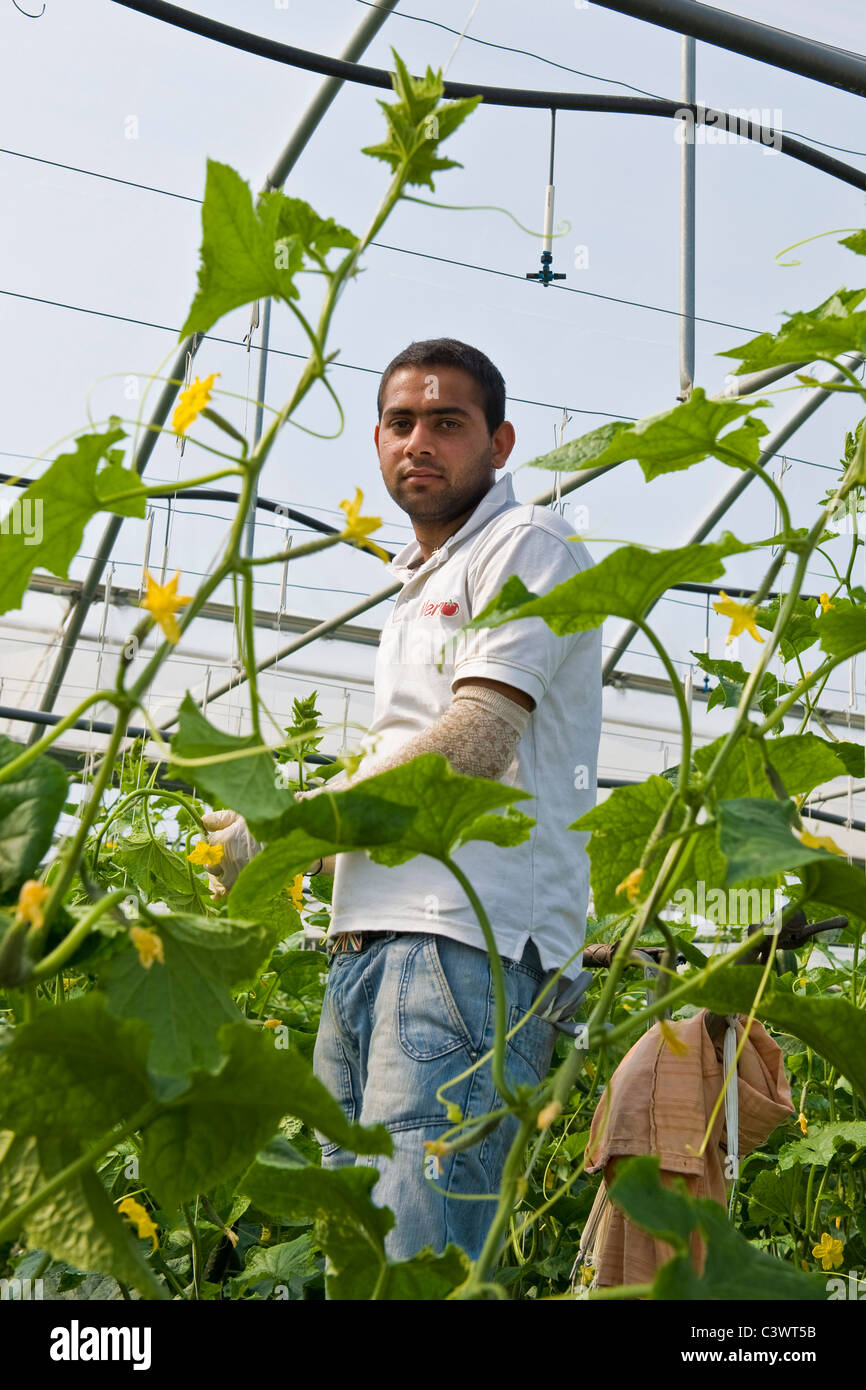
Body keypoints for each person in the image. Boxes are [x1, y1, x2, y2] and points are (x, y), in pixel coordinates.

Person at [205, 338, 602, 1264]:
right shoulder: (421, 576)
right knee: (360, 1249)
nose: (419, 441)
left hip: (463, 946)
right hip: (374, 945)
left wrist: (287, 830)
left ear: (499, 444)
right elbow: (415, 750)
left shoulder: (527, 544)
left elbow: (472, 744)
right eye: (400, 423)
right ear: (379, 443)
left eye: (448, 423)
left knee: (420, 1257)